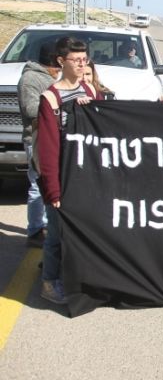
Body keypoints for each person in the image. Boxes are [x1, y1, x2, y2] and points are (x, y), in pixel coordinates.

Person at [37, 37, 102, 304]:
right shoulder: (50, 98)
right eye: (76, 60)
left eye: (84, 60)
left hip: (86, 176)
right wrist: (53, 190)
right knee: (56, 233)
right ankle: (49, 282)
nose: (81, 64)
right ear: (61, 61)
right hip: (62, 177)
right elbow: (48, 149)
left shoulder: (90, 90)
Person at [17, 42, 59, 247]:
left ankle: (46, 226)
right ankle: (35, 230)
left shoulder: (48, 78)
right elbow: (30, 108)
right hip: (35, 137)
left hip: (49, 137)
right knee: (37, 185)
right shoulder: (30, 79)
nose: (59, 71)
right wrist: (56, 105)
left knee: (49, 183)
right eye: (58, 66)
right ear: (51, 63)